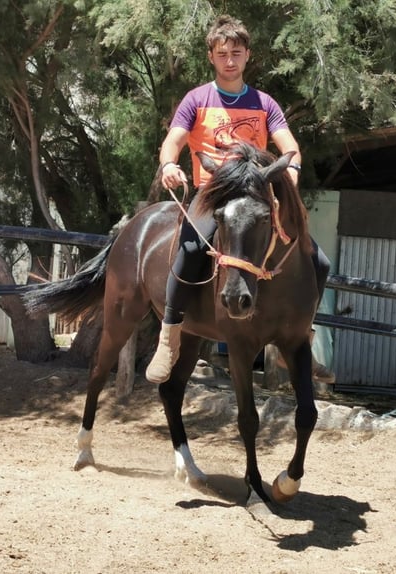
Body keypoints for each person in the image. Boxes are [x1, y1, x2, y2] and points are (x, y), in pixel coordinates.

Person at [146, 15, 335, 385]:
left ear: (248, 55)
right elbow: (174, 139)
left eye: (236, 53)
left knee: (319, 261)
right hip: (212, 194)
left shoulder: (265, 103)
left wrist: (290, 172)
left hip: (254, 195)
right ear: (211, 57)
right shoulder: (196, 99)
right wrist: (169, 163)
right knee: (188, 250)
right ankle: (169, 336)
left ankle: (301, 340)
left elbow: (289, 146)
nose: (229, 60)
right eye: (222, 54)